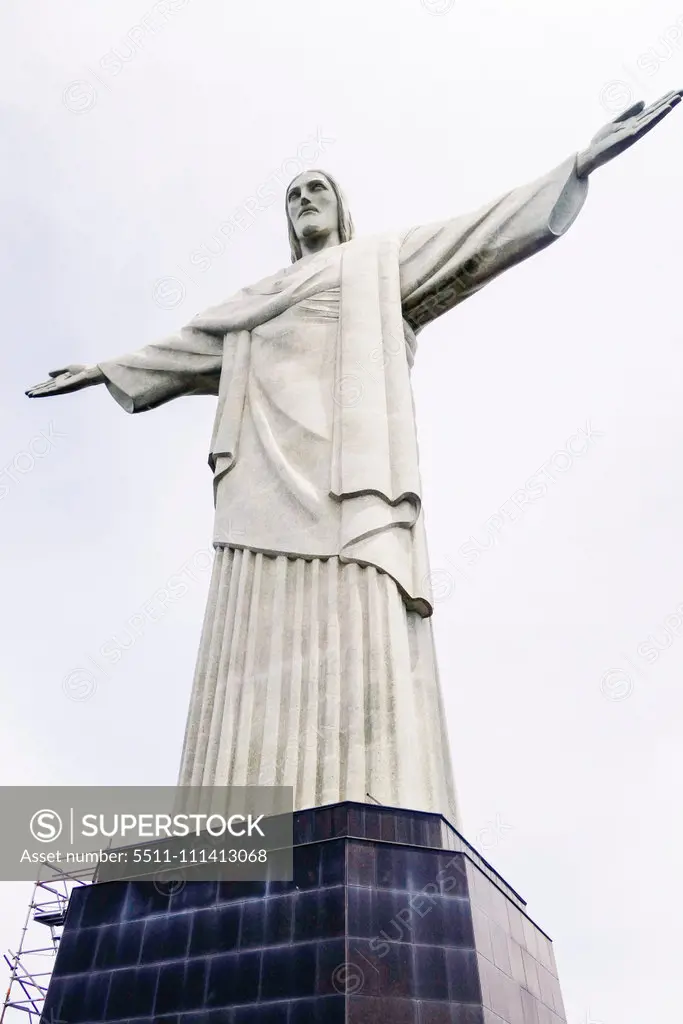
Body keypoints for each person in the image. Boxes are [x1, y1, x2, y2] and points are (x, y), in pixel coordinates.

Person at [26, 93, 681, 823]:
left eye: (317, 189)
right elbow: (180, 350)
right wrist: (101, 370)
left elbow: (477, 235)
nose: (305, 198)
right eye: (293, 193)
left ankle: (363, 796)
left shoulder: (378, 263)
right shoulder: (257, 296)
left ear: (340, 210)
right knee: (251, 628)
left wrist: (579, 163)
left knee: (358, 610)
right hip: (260, 484)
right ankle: (232, 826)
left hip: (349, 480)